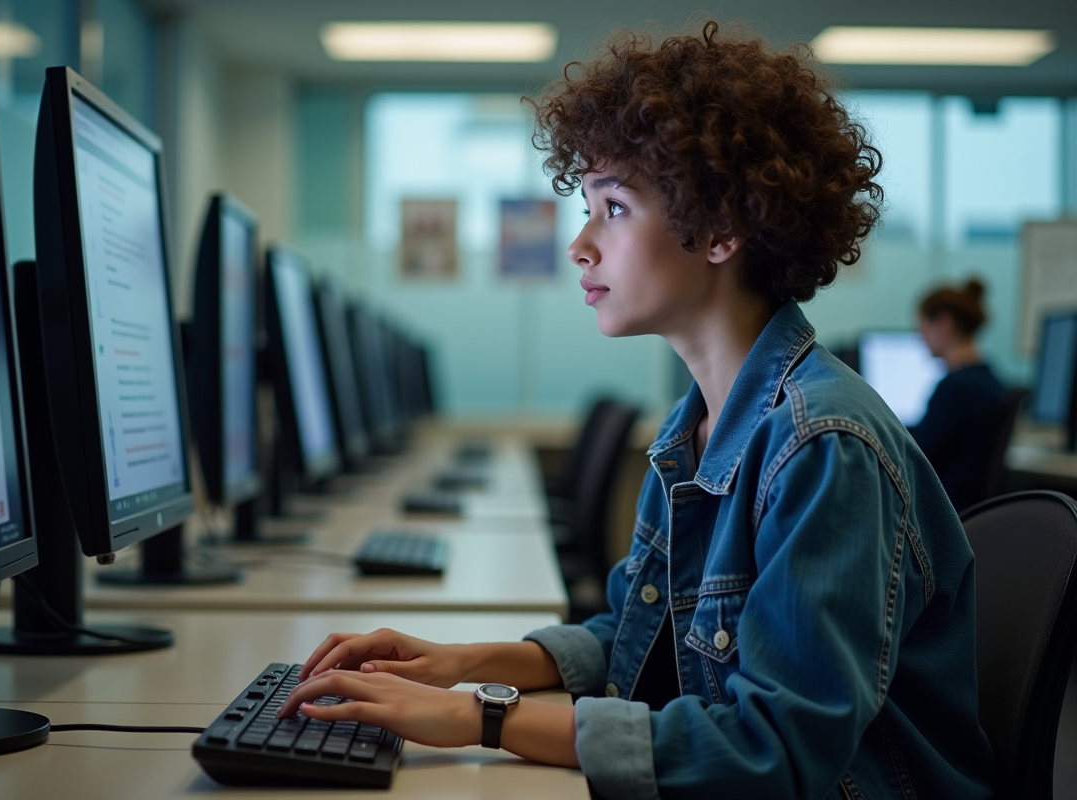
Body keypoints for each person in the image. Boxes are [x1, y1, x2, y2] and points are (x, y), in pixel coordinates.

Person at [277, 22, 994, 800]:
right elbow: (632, 632)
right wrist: (457, 663)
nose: (580, 245)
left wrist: (481, 717)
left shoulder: (823, 445)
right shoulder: (698, 426)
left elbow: (775, 751)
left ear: (719, 227)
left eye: (613, 208)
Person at [910, 279, 1008, 512]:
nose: (921, 338)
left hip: (947, 516)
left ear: (943, 324)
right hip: (972, 513)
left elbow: (915, 456)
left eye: (922, 329)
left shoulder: (957, 388)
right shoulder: (990, 380)